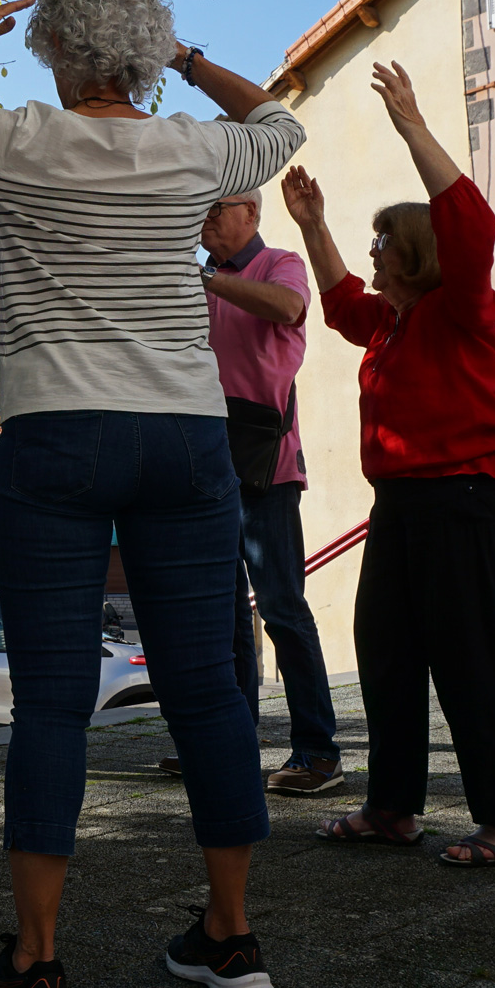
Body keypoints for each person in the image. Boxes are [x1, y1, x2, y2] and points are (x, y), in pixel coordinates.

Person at [0, 0, 306, 988]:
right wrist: (186, 61)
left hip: (55, 435)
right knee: (209, 691)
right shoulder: (196, 148)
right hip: (186, 441)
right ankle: (230, 940)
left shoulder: (13, 138)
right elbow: (282, 120)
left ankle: (38, 965)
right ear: (144, 57)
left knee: (50, 701)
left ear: (49, 53)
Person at [281, 61, 495, 868]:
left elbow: (469, 224)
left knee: (464, 652)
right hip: (403, 496)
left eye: (380, 242)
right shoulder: (390, 323)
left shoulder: (459, 307)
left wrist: (411, 126)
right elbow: (340, 304)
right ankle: (392, 808)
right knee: (385, 645)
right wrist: (313, 224)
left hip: (468, 487)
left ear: (413, 253)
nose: (371, 251)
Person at [158, 186, 344, 795]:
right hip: (204, 462)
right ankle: (226, 745)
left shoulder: (279, 264)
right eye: (201, 208)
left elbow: (288, 308)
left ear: (251, 214)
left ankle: (318, 753)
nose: (205, 218)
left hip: (266, 470)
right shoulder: (201, 278)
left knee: (283, 611)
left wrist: (203, 281)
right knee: (220, 615)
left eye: (216, 208)